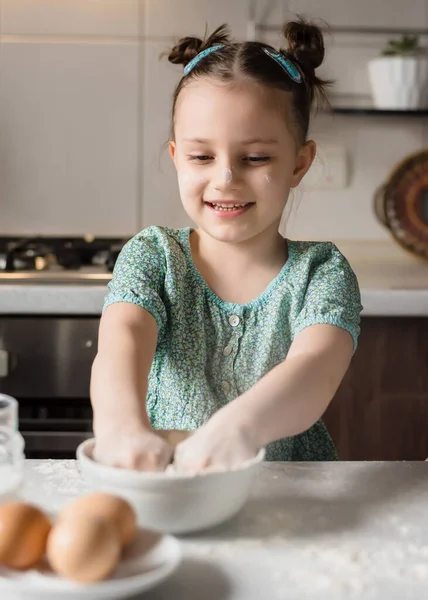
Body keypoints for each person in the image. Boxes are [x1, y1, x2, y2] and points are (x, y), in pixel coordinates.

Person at [90, 18, 363, 473]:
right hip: (173, 488)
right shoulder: (154, 256)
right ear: (177, 158)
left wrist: (236, 430)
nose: (226, 179)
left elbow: (317, 368)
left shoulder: (323, 270)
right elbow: (122, 342)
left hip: (290, 493)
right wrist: (120, 427)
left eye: (255, 158)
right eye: (202, 156)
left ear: (300, 163)